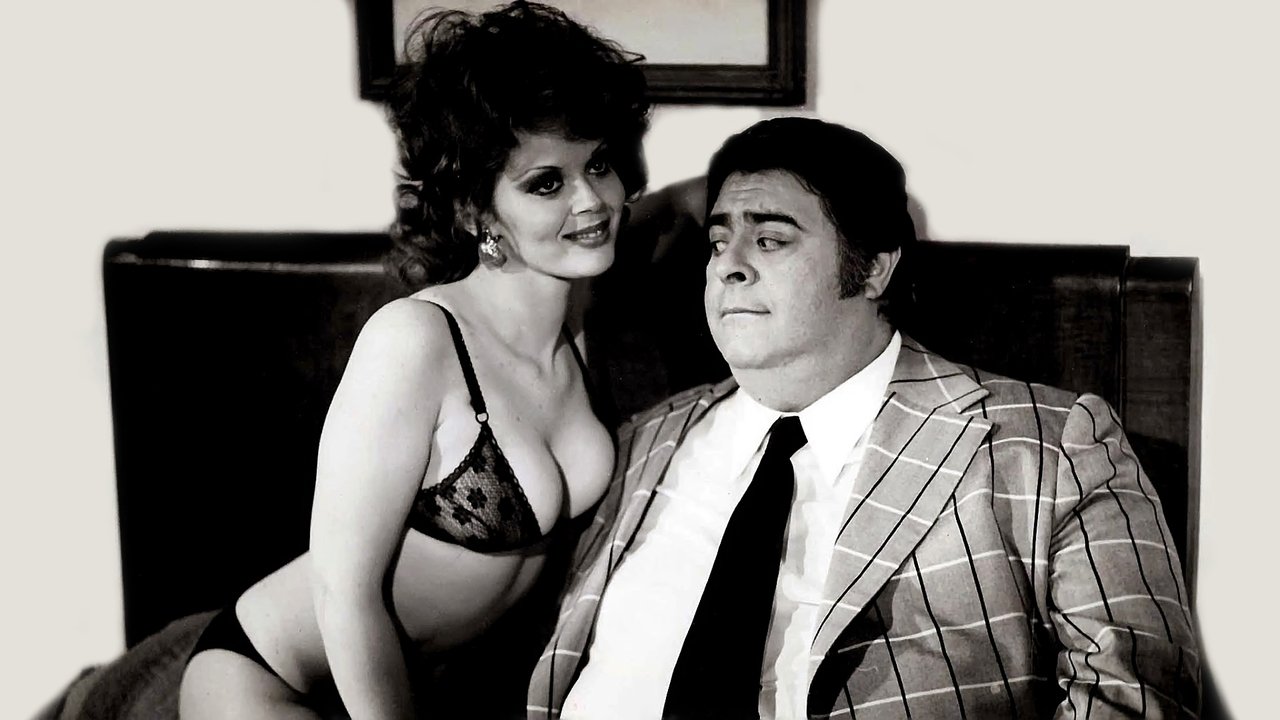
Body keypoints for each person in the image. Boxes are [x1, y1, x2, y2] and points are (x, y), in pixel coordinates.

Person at [52, 3, 647, 720]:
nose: (592, 200)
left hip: (429, 684)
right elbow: (344, 593)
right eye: (546, 182)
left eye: (599, 164)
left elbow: (696, 208)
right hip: (272, 678)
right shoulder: (417, 341)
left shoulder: (582, 320)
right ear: (474, 211)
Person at [528, 117, 1200, 719]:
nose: (728, 267)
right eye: (718, 241)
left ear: (874, 269)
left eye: (770, 240)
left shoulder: (1050, 445)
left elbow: (1134, 699)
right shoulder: (643, 442)